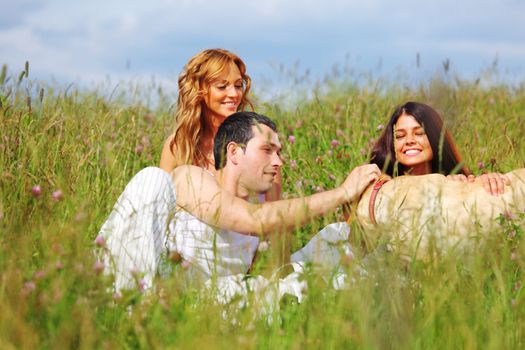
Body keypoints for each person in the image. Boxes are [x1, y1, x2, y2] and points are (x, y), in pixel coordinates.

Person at [98, 112, 380, 291]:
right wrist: (341, 192)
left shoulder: (261, 206)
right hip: (148, 285)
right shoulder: (190, 179)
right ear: (234, 153)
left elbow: (277, 270)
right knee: (152, 178)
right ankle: (122, 300)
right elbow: (250, 220)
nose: (278, 161)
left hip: (208, 301)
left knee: (329, 248)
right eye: (268, 150)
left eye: (279, 153)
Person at [159, 48, 280, 200]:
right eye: (222, 87)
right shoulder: (178, 146)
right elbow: (163, 206)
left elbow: (274, 211)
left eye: (237, 85)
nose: (234, 94)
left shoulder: (261, 141)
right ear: (199, 91)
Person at [369, 101, 510, 195]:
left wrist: (488, 181)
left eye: (419, 133)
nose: (409, 141)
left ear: (436, 138)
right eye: (400, 136)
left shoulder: (455, 180)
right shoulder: (382, 188)